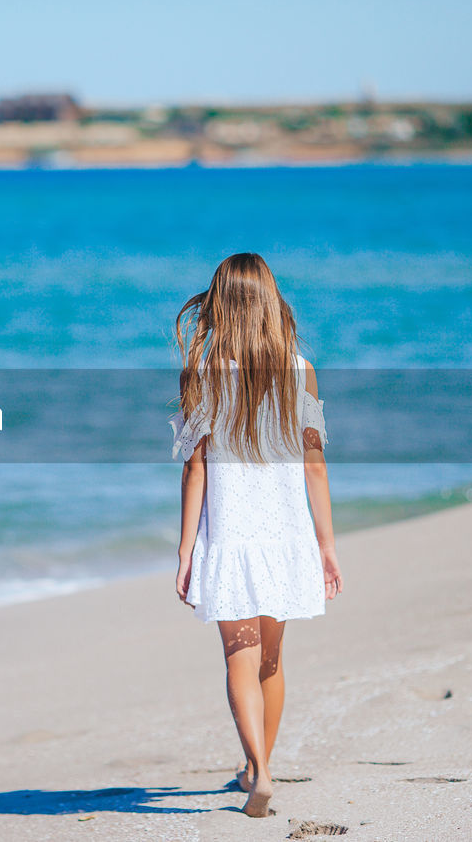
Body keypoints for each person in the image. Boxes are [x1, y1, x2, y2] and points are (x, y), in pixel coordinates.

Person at [169, 252, 344, 818]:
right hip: (287, 531)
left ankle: (259, 771)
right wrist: (326, 544)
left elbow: (195, 467)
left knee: (237, 656)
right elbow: (314, 465)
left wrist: (185, 550)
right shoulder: (301, 369)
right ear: (270, 301)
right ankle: (257, 765)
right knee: (271, 657)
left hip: (232, 533)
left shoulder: (204, 372)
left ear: (219, 305)